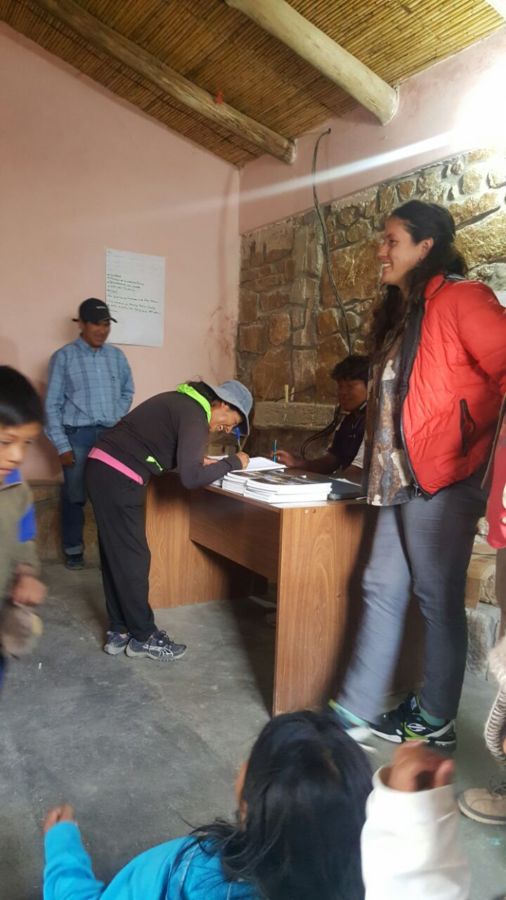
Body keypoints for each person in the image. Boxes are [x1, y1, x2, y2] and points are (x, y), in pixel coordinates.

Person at [330, 200, 506, 749]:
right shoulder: (404, 313)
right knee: (379, 584)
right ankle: (355, 710)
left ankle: (436, 718)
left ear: (425, 246)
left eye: (392, 240)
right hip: (396, 478)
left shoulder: (461, 298)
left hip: (444, 478)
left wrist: (480, 453)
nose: (380, 251)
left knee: (436, 597)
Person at [43, 714, 470, 900]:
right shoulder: (367, 881)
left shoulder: (191, 870)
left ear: (250, 807)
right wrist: (412, 821)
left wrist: (62, 850)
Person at [86, 379, 252, 662]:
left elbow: (160, 450)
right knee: (134, 558)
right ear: (223, 404)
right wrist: (234, 462)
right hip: (119, 477)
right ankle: (144, 637)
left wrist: (199, 461)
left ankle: (119, 630)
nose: (225, 430)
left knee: (117, 554)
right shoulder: (195, 415)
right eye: (230, 422)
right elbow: (191, 479)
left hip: (102, 468)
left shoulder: (182, 402)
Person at [45, 298, 134, 570]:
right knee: (74, 496)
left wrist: (116, 415)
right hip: (77, 437)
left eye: (106, 324)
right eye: (96, 324)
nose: (102, 330)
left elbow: (127, 391)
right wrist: (62, 446)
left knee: (111, 496)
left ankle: (112, 553)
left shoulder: (117, 357)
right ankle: (74, 550)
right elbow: (52, 404)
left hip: (110, 437)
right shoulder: (64, 357)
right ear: (81, 324)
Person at [0, 366, 46, 688]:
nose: (17, 456)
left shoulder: (17, 488)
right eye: (6, 441)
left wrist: (26, 574)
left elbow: (24, 538)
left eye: (27, 442)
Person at [275, 354, 369, 481]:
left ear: (370, 386)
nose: (343, 392)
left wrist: (326, 485)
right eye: (340, 386)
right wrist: (297, 463)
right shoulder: (349, 420)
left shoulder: (373, 422)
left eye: (350, 386)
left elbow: (357, 472)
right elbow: (332, 460)